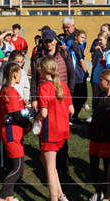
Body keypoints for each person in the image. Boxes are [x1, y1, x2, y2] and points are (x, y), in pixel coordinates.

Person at [30, 29, 74, 178]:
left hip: (60, 96)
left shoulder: (64, 54)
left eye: (50, 40)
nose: (48, 43)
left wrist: (69, 95)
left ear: (55, 40)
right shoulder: (38, 56)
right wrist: (34, 98)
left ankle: (63, 167)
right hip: (44, 96)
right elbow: (34, 79)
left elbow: (71, 74)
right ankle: (49, 166)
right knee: (45, 131)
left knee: (61, 135)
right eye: (46, 41)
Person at [35, 56, 74, 201]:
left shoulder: (44, 88)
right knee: (45, 161)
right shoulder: (63, 86)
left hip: (50, 131)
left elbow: (43, 113)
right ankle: (60, 195)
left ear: (44, 70)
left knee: (50, 168)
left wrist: (36, 117)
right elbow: (71, 110)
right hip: (62, 130)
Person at [0, 62, 31, 201]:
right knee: (18, 168)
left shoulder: (12, 91)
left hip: (16, 133)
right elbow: (16, 115)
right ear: (14, 74)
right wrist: (28, 124)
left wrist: (28, 113)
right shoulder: (9, 92)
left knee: (16, 166)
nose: (23, 75)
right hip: (11, 133)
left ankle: (9, 197)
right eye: (21, 72)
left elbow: (20, 111)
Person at [87, 70, 110, 201]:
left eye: (101, 79)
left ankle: (106, 198)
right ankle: (98, 191)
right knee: (93, 166)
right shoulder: (101, 95)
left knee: (107, 169)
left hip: (107, 139)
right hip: (95, 137)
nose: (99, 81)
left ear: (108, 82)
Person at [68, 29, 88, 124]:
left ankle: (72, 116)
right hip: (78, 76)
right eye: (82, 37)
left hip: (74, 75)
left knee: (76, 97)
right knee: (82, 96)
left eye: (85, 38)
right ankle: (73, 116)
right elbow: (81, 61)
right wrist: (86, 72)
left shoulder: (72, 47)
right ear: (76, 37)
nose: (83, 39)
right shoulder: (78, 47)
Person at [90, 31, 110, 116]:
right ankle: (93, 114)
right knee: (95, 98)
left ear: (106, 40)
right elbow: (94, 64)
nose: (99, 42)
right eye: (98, 40)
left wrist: (101, 53)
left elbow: (106, 64)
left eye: (101, 40)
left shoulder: (109, 52)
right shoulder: (97, 50)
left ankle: (101, 115)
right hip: (96, 76)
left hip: (104, 78)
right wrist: (96, 54)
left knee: (103, 97)